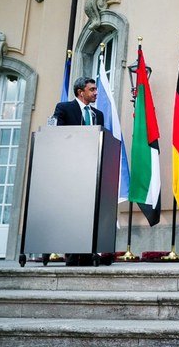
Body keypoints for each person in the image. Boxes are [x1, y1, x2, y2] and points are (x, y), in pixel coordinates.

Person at [52, 77, 104, 266]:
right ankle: (72, 252)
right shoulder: (64, 108)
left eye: (96, 89)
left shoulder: (98, 114)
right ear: (81, 92)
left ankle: (89, 251)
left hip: (92, 170)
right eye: (92, 89)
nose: (96, 93)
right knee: (71, 211)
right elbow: (56, 133)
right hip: (70, 168)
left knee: (89, 211)